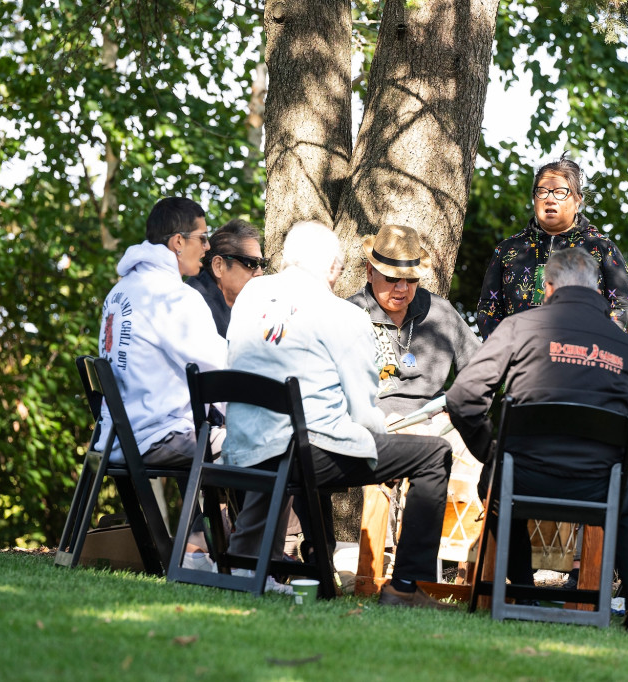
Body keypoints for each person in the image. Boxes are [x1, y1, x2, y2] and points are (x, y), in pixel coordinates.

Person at [223, 221, 455, 609]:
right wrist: (383, 438)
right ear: (335, 267)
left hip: (246, 444)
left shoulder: (250, 295)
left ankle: (269, 566)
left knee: (309, 439)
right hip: (305, 452)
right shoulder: (343, 315)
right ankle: (405, 586)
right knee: (433, 455)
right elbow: (364, 413)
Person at [446, 248, 628, 629]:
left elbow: (462, 398)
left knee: (493, 487)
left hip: (523, 477)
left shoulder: (520, 327)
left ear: (549, 287)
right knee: (626, 501)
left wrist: (490, 451)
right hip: (598, 486)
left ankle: (524, 591)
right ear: (598, 290)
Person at [96, 196, 226, 465]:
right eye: (202, 237)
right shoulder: (171, 296)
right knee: (266, 449)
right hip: (158, 437)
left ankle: (211, 510)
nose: (207, 246)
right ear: (179, 241)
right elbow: (221, 369)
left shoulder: (119, 292)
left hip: (117, 438)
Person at [475, 155, 628, 340]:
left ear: (577, 200)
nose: (550, 199)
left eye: (560, 192)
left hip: (582, 356)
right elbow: (488, 307)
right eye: (542, 191)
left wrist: (597, 343)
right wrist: (505, 349)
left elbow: (623, 306)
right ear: (534, 198)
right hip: (519, 357)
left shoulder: (601, 248)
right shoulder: (508, 249)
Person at [347, 223, 480, 417]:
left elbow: (480, 369)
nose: (402, 288)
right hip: (375, 424)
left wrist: (459, 412)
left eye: (411, 279)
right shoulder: (348, 315)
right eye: (392, 278)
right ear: (370, 272)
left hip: (436, 420)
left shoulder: (440, 310)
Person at [186, 218, 266, 337]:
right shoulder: (192, 306)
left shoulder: (249, 304)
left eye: (262, 264)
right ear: (218, 266)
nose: (260, 273)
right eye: (251, 263)